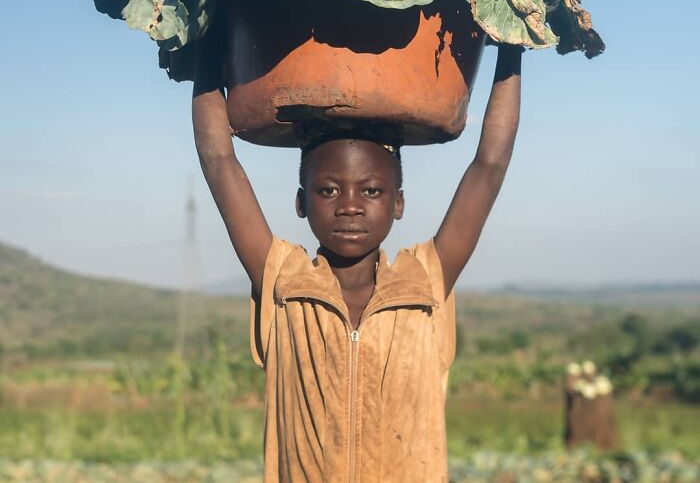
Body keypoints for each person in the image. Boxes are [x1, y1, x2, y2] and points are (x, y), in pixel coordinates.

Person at [193, 30, 522, 483]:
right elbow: (219, 160)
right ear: (301, 203)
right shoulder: (283, 286)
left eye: (371, 190)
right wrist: (206, 49)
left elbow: (489, 165)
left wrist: (511, 45)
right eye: (328, 190)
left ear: (398, 203)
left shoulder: (425, 283)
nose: (349, 205)